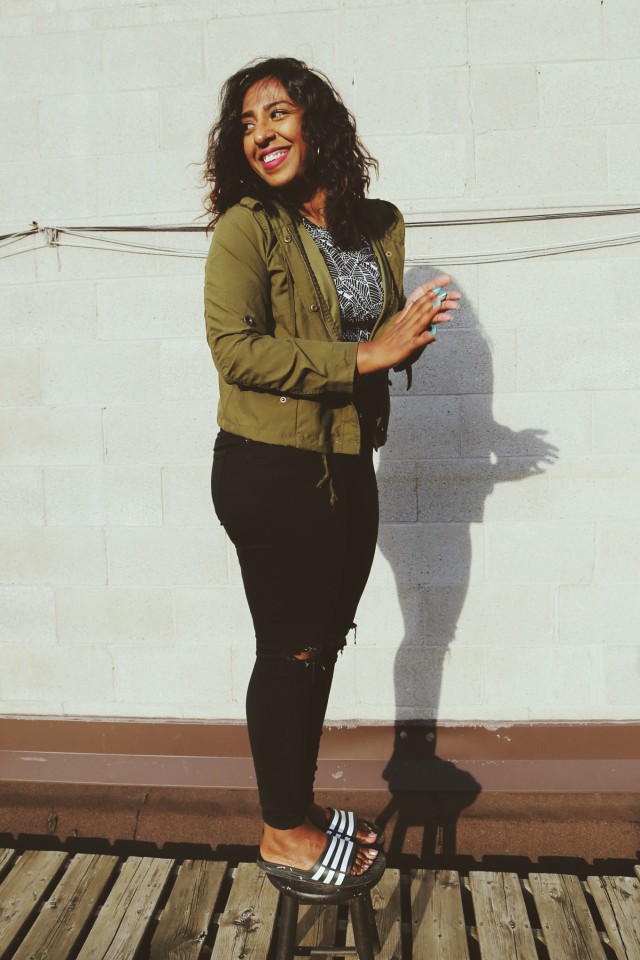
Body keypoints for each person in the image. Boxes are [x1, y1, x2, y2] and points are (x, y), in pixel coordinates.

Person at [202, 56, 460, 890]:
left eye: (276, 113)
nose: (261, 134)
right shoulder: (248, 228)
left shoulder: (378, 224)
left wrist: (404, 338)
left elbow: (372, 336)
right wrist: (367, 355)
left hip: (347, 459)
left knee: (320, 647)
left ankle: (299, 809)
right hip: (271, 467)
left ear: (317, 122)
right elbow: (236, 351)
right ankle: (283, 832)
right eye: (246, 123)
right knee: (291, 650)